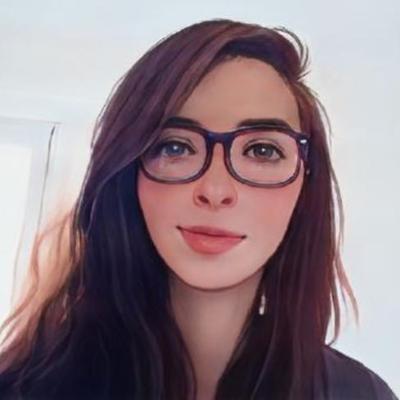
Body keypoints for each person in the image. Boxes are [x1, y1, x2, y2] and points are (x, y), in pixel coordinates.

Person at [0, 18, 397, 400]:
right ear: (128, 173)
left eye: (262, 150)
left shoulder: (362, 395)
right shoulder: (23, 387)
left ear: (305, 185)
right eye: (175, 146)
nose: (215, 190)